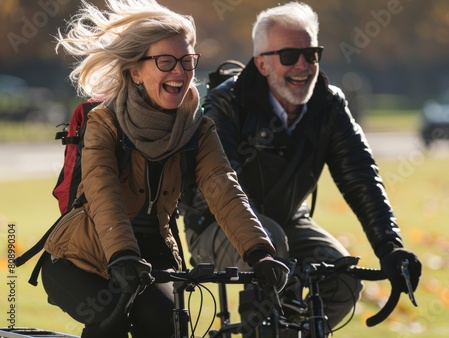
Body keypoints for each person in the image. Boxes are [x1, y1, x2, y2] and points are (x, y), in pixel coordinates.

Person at [39, 1, 288, 337]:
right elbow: (103, 191)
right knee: (108, 319)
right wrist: (123, 254)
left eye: (187, 62)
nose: (180, 72)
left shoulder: (198, 129)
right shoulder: (105, 122)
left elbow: (225, 188)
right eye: (165, 61)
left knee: (165, 323)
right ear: (135, 71)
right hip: (80, 256)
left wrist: (259, 252)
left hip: (149, 255)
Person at [184, 1, 422, 332]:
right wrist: (264, 246)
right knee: (273, 242)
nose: (303, 65)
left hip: (288, 222)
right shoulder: (226, 103)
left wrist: (390, 247)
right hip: (216, 225)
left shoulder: (329, 104)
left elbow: (361, 177)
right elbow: (222, 185)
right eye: (288, 56)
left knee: (344, 278)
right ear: (262, 64)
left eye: (311, 54)